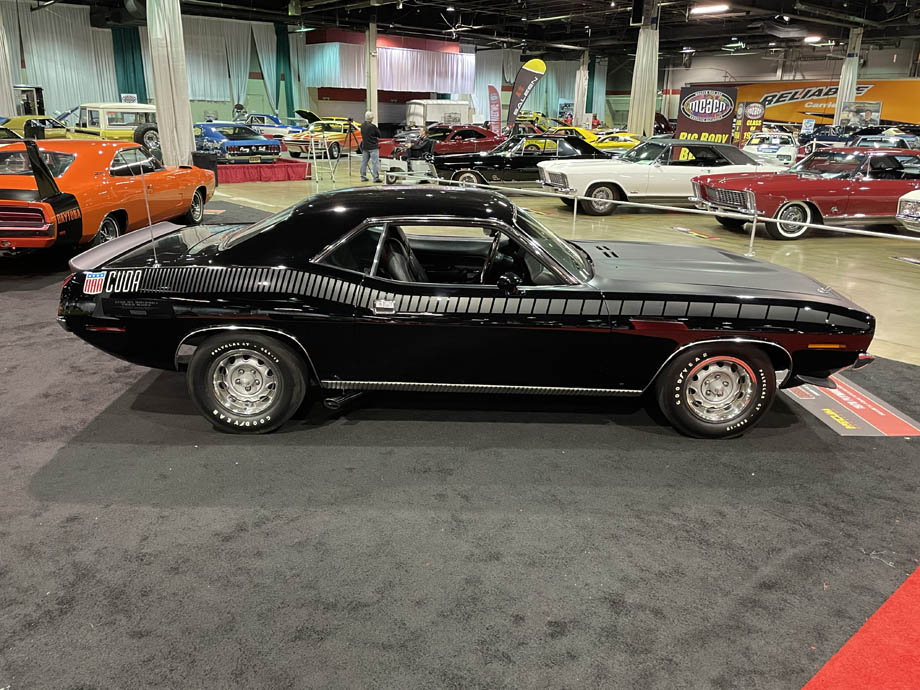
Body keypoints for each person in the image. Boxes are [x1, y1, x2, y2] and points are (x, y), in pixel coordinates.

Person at [359, 111, 382, 183]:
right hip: (373, 147)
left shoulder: (362, 126)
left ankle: (363, 177)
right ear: (371, 118)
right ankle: (375, 178)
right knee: (375, 163)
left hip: (365, 147)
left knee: (364, 162)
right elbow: (379, 135)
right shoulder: (373, 126)